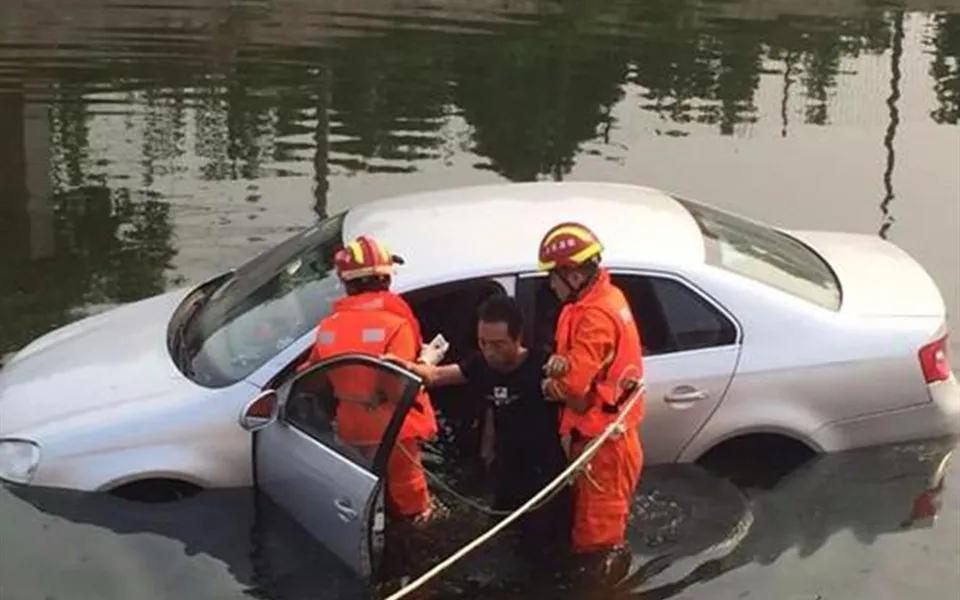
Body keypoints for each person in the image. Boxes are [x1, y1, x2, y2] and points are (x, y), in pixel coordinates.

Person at [389, 294, 571, 561]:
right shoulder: (480, 364)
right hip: (506, 471)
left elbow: (579, 400)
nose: (490, 352)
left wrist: (564, 370)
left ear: (518, 337)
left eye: (498, 345)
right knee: (501, 540)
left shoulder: (541, 367)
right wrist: (407, 367)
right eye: (483, 343)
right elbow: (437, 376)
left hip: (544, 477)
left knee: (544, 549)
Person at [299, 235, 438, 522]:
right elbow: (399, 389)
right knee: (415, 510)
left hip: (351, 431)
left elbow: (311, 379)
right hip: (395, 435)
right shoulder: (396, 324)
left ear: (347, 283)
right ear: (386, 280)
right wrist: (425, 363)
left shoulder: (328, 328)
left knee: (364, 506)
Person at [538, 221, 645, 585]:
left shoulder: (595, 317)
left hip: (605, 448)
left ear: (572, 273)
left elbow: (572, 386)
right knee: (591, 528)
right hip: (603, 440)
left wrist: (551, 382)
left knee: (596, 545)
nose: (550, 285)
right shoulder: (603, 299)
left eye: (553, 276)